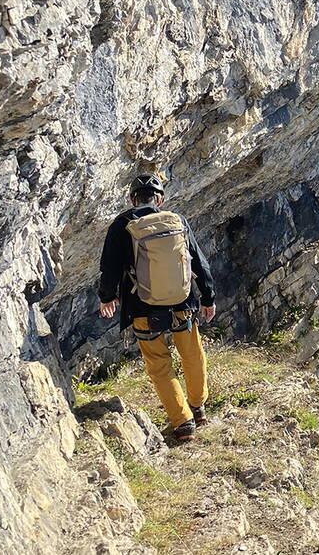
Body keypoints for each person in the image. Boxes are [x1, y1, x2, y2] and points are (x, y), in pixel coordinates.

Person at [97, 173, 216, 442]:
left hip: (143, 308)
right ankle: (198, 407)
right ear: (160, 200)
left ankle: (183, 422)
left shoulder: (122, 225)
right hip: (183, 304)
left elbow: (109, 268)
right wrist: (208, 297)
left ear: (132, 199)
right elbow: (198, 261)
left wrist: (107, 297)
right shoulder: (178, 221)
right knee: (192, 355)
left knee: (159, 365)